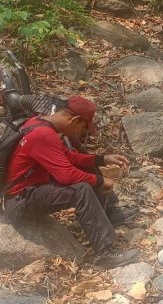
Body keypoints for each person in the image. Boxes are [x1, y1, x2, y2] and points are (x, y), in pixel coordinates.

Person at [2, 96, 140, 269]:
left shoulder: (38, 122)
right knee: (81, 189)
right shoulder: (44, 134)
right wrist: (101, 181)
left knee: (88, 167)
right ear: (74, 120)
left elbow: (68, 157)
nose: (81, 132)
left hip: (30, 191)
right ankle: (105, 253)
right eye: (82, 127)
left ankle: (109, 214)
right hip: (20, 202)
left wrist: (101, 159)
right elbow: (66, 176)